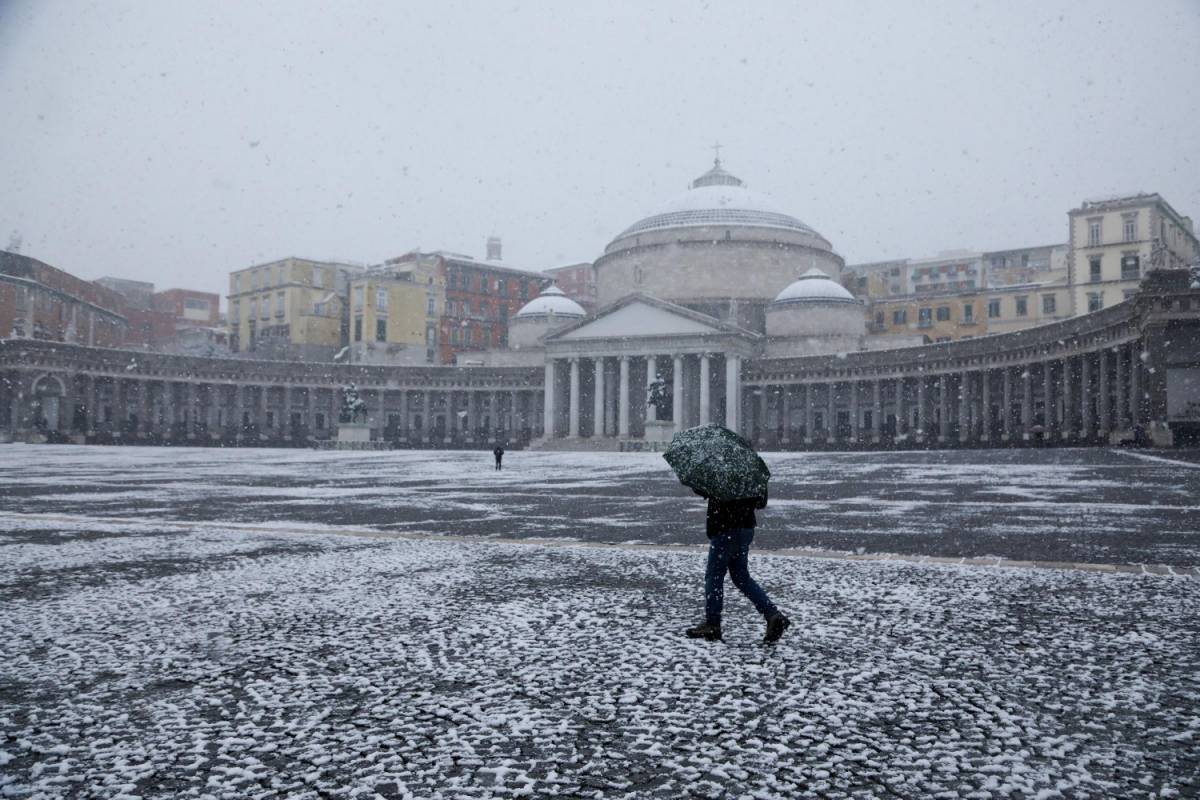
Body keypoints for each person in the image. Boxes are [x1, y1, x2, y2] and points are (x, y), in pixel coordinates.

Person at [686, 487, 790, 644]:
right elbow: (761, 502)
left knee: (714, 575)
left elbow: (706, 489)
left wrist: (699, 487)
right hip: (746, 527)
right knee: (741, 576)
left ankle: (712, 623)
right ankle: (772, 614)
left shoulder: (721, 468)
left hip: (724, 527)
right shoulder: (750, 471)